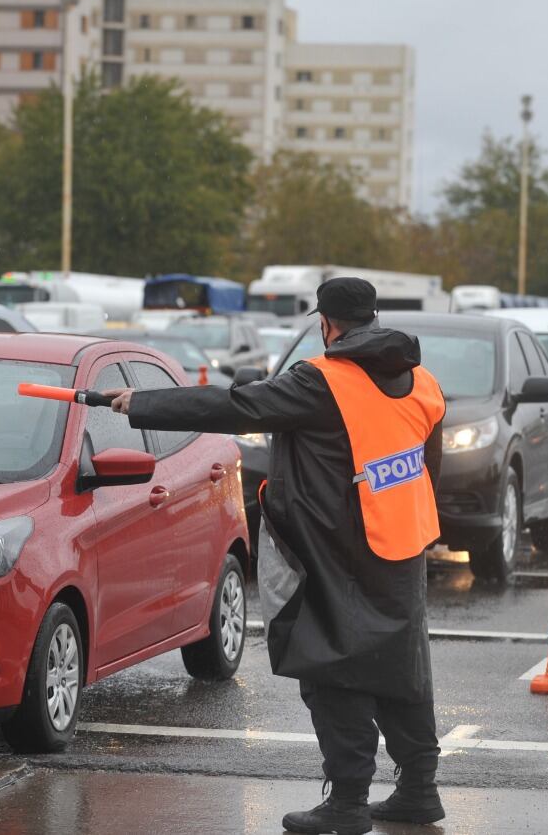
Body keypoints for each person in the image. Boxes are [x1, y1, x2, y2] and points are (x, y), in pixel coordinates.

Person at [105, 277, 447, 834]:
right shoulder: (423, 382)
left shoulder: (321, 382)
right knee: (401, 670)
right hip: (402, 546)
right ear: (373, 316)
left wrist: (142, 403)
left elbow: (237, 404)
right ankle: (418, 790)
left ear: (326, 323)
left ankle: (348, 804)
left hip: (335, 552)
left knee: (333, 669)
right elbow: (428, 468)